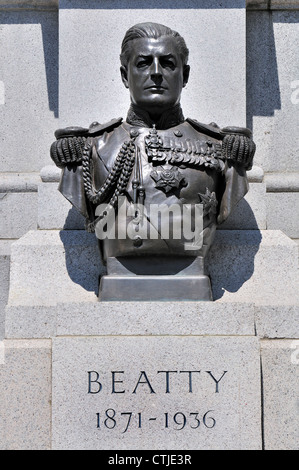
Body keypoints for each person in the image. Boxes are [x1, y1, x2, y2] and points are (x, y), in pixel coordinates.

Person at [50, 22, 255, 300]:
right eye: (144, 63)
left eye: (168, 64)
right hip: (118, 272)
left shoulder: (220, 148)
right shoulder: (93, 147)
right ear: (125, 75)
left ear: (185, 75)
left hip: (191, 272)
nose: (156, 73)